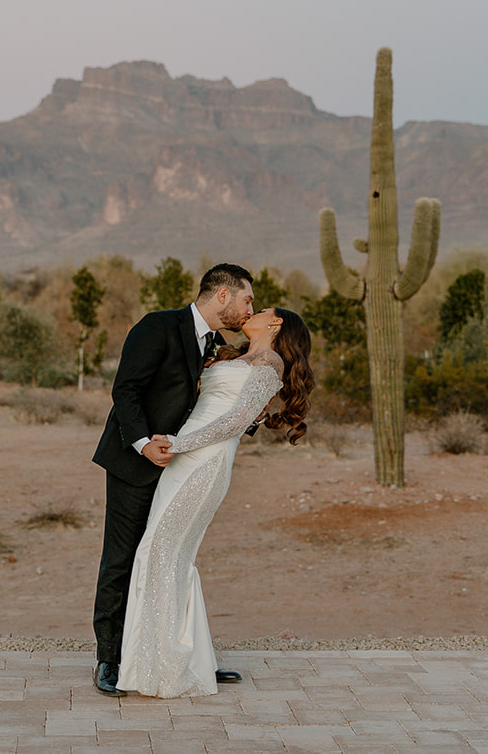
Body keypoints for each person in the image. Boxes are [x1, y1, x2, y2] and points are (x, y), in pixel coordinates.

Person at [116, 306, 313, 698]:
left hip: (204, 461)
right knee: (166, 554)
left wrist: (177, 443)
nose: (249, 312)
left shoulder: (269, 361)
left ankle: (166, 665)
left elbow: (234, 421)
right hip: (184, 456)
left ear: (275, 324)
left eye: (259, 310)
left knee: (162, 551)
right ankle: (172, 659)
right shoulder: (235, 354)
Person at [91, 263, 255, 696]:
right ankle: (109, 660)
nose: (249, 308)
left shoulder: (218, 345)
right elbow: (125, 390)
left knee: (171, 559)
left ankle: (177, 655)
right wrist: (143, 443)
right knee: (122, 560)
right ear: (223, 295)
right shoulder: (158, 327)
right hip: (134, 463)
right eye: (247, 299)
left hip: (180, 472)